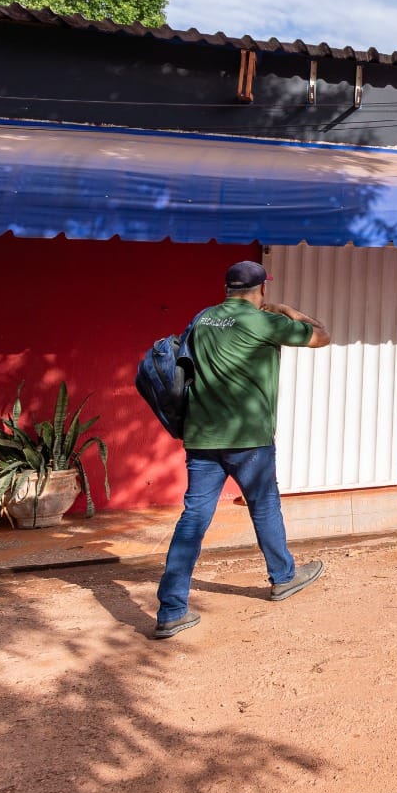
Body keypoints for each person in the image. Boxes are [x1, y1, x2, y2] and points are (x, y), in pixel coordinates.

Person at [153, 260, 332, 639]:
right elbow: (321, 335)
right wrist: (285, 310)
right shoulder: (265, 322)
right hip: (249, 438)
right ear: (261, 289)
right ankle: (283, 577)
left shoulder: (204, 319)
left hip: (202, 437)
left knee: (193, 520)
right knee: (264, 505)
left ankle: (171, 610)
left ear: (228, 288)